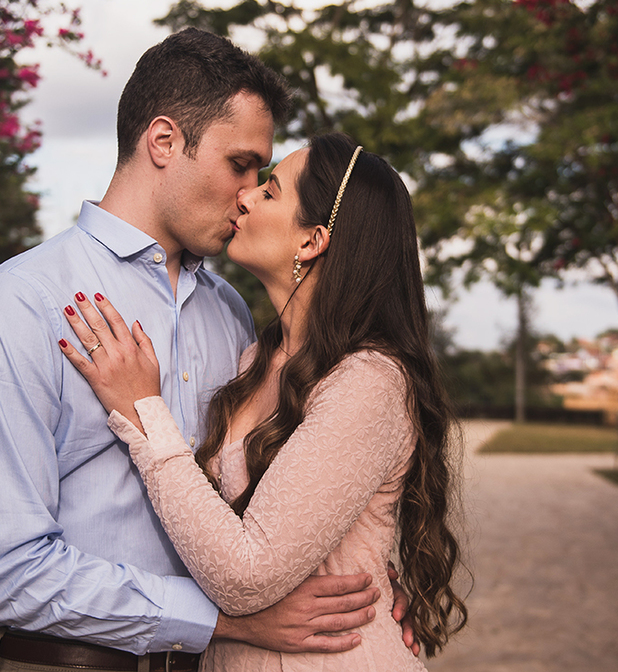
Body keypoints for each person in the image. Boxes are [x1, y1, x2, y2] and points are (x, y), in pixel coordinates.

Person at [0, 30, 404, 672]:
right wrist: (221, 619)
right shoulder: (24, 304)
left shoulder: (232, 315)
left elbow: (289, 494)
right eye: (240, 164)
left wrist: (371, 574)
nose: (248, 193)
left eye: (262, 178)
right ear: (163, 142)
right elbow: (5, 572)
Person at [57, 132, 469, 670]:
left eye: (271, 191)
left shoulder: (370, 381)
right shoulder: (256, 359)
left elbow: (247, 576)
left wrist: (143, 411)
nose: (246, 196)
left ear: (312, 241)